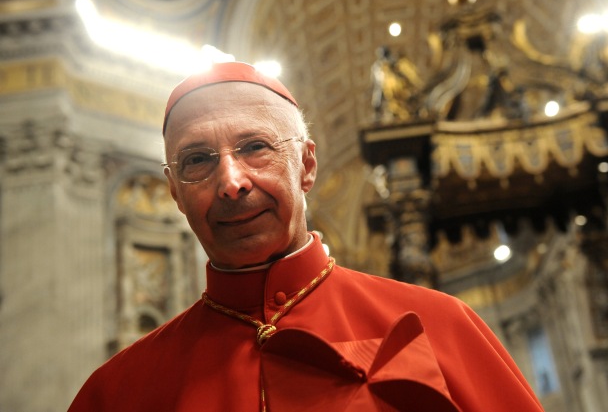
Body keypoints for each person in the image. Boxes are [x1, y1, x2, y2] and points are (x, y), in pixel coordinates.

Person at [69, 62, 544, 411]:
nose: (231, 182)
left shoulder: (441, 325)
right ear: (175, 191)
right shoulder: (115, 393)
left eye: (255, 147)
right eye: (197, 160)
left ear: (307, 165)